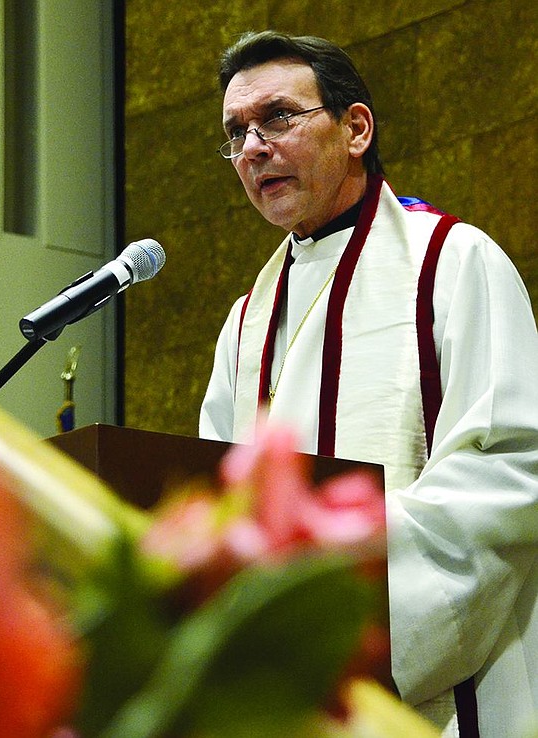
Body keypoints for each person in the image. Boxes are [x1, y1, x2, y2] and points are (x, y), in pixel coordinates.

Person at [199, 30, 538, 738]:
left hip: (435, 694)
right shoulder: (245, 324)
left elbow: (510, 470)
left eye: (278, 117)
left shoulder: (453, 262)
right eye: (237, 133)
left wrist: (334, 599)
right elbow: (218, 499)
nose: (254, 146)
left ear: (355, 128)